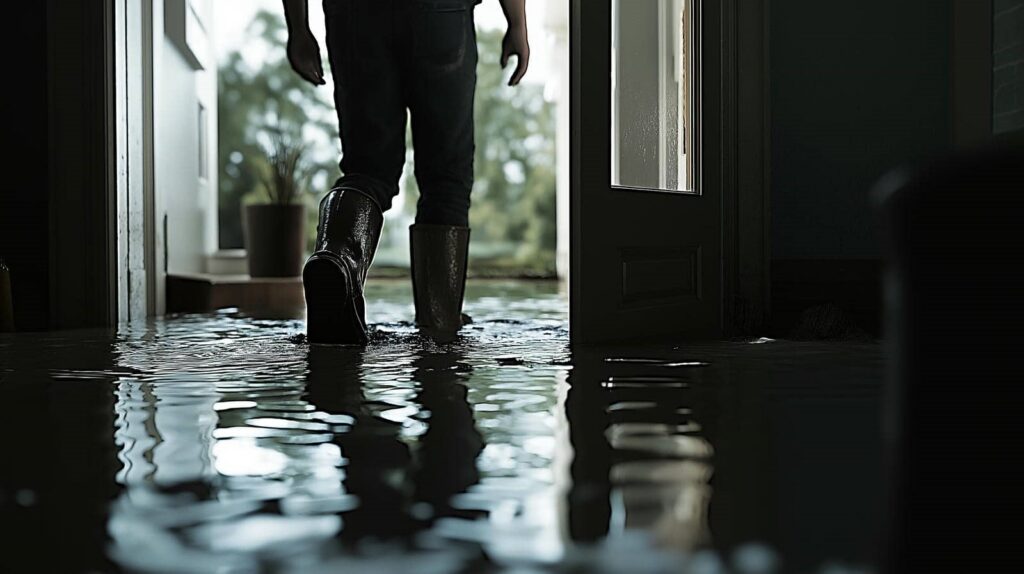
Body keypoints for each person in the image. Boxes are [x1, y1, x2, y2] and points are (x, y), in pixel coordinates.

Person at [283, 0, 530, 344]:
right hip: (441, 12)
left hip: (353, 15)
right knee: (445, 176)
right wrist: (516, 22)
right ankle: (439, 323)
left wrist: (297, 27)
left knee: (367, 169)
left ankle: (338, 260)